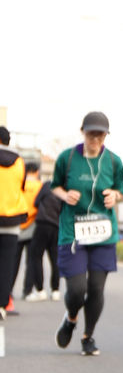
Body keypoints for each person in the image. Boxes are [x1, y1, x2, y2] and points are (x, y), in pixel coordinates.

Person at [51, 111, 123, 356]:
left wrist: (114, 195)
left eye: (100, 135)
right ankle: (71, 318)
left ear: (106, 136)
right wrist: (65, 195)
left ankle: (88, 337)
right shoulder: (67, 159)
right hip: (73, 232)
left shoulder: (113, 161)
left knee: (96, 289)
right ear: (82, 132)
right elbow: (54, 186)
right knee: (76, 289)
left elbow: (121, 189)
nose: (95, 139)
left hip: (103, 233)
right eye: (91, 134)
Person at [0, 126, 27, 321]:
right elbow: (21, 187)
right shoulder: (19, 162)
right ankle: (3, 305)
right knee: (7, 264)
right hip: (12, 220)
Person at [24, 172, 62, 300]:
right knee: (55, 258)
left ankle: (40, 289)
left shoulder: (47, 185)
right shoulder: (66, 188)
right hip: (57, 226)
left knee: (36, 256)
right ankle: (55, 290)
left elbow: (36, 202)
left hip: (43, 224)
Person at [12, 161, 41, 300]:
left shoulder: (18, 184)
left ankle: (7, 291)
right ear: (37, 172)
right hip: (33, 226)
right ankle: (27, 291)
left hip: (17, 224)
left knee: (12, 261)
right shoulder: (39, 186)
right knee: (31, 260)